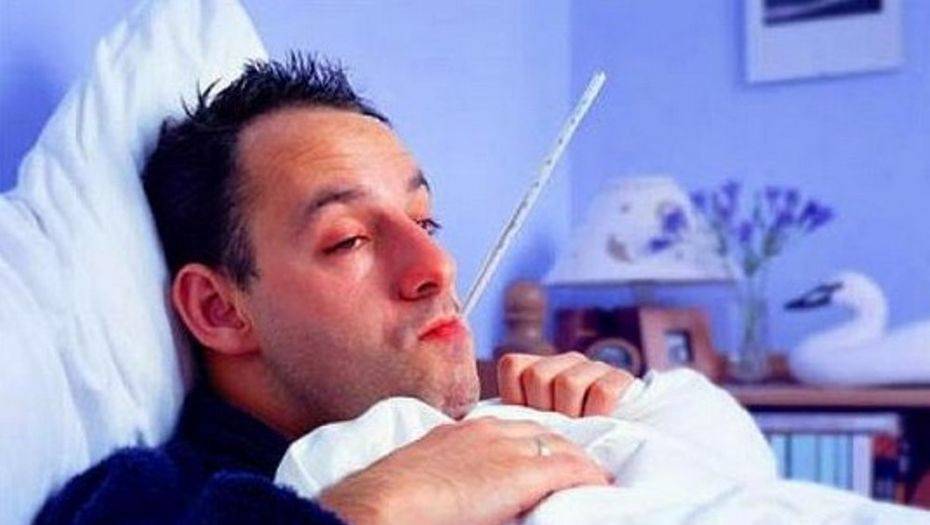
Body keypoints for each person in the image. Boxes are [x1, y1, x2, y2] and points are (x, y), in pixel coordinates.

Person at [37, 53, 637, 525]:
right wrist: (383, 505)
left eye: (425, 222)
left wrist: (594, 424)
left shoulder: (527, 421)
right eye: (348, 240)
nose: (438, 264)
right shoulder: (144, 499)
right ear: (219, 309)